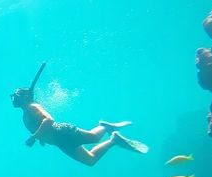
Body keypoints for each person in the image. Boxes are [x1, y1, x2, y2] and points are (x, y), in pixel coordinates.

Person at [11, 62, 148, 166]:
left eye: (17, 94)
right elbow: (39, 126)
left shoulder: (32, 106)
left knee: (94, 138)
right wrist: (41, 138)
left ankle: (105, 127)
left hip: (63, 133)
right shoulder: (26, 112)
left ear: (26, 96)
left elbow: (48, 121)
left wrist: (34, 137)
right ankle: (114, 140)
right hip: (60, 142)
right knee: (90, 160)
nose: (14, 97)